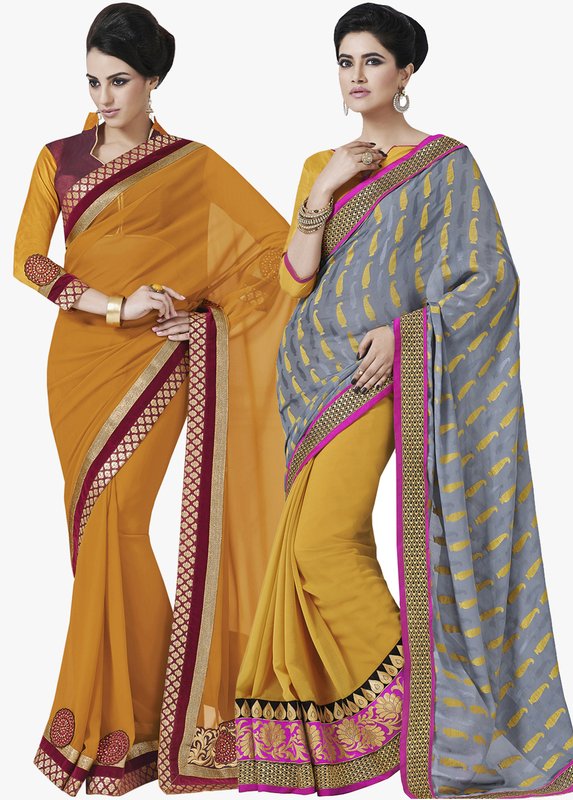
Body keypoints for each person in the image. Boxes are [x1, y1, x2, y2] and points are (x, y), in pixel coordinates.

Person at [233, 4, 573, 797]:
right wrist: (326, 185)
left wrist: (406, 334)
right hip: (311, 377)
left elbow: (492, 278)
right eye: (344, 61)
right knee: (322, 547)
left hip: (382, 374)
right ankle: (426, 708)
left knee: (323, 546)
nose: (356, 76)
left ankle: (441, 709)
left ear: (406, 72)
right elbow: (293, 279)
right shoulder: (321, 164)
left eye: (372, 61)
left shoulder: (445, 165)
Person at [13, 3, 297, 795]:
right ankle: (145, 720)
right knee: (95, 530)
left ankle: (141, 720)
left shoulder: (191, 166)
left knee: (118, 522)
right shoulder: (59, 158)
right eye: (93, 81)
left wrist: (201, 316)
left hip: (161, 360)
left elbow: (267, 256)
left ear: (153, 80)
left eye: (119, 81)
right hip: (79, 363)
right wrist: (114, 305)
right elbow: (28, 260)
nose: (104, 98)